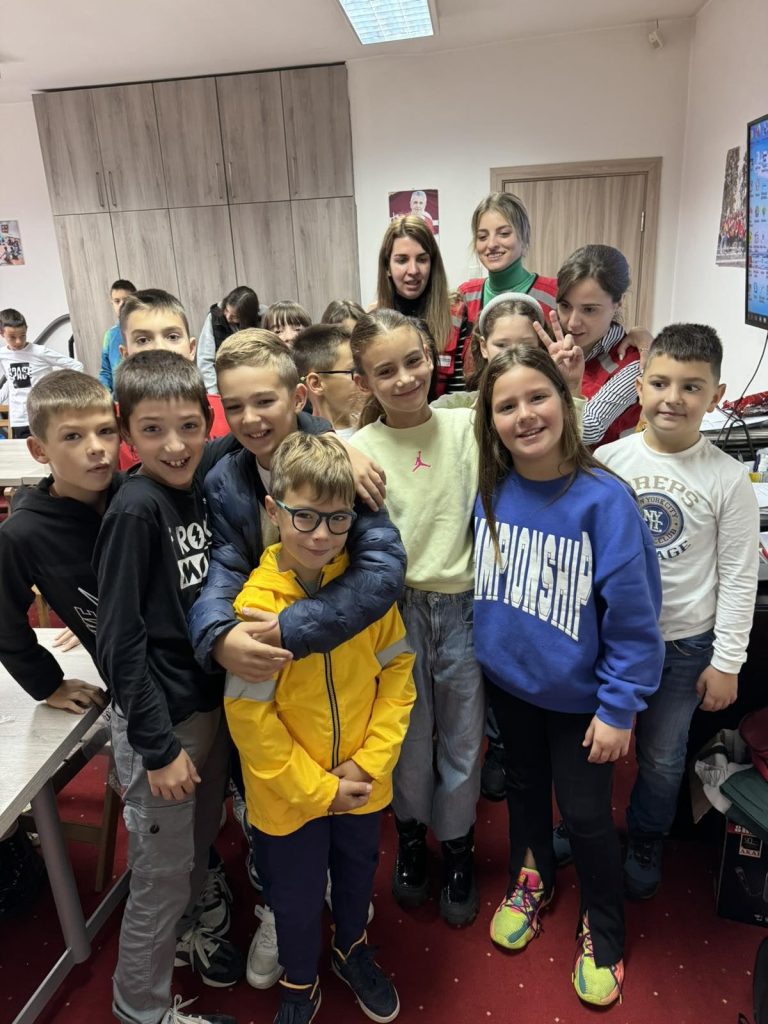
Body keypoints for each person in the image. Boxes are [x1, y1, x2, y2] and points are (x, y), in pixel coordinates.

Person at [187, 330, 405, 992]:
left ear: (300, 396)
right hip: (274, 668)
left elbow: (381, 571)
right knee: (281, 833)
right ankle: (285, 914)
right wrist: (218, 634)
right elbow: (225, 562)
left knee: (352, 855)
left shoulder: (345, 462)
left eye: (265, 401)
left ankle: (341, 923)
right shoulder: (224, 474)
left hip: (336, 664)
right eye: (234, 405)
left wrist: (287, 629)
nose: (251, 418)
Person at [472, 343, 664, 1007]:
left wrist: (619, 707)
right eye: (506, 405)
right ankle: (532, 877)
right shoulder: (490, 489)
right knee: (524, 793)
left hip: (584, 701)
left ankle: (603, 922)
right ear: (490, 420)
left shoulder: (605, 501)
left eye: (538, 397)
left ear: (565, 399)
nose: (525, 415)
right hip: (510, 688)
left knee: (584, 816)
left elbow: (636, 620)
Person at [225, 432, 415, 1024]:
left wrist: (368, 763)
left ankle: (351, 950)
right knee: (296, 897)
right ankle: (298, 982)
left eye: (337, 519)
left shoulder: (366, 595)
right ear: (273, 509)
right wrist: (318, 789)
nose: (320, 535)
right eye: (303, 516)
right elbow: (251, 721)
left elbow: (398, 678)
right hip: (289, 798)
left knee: (358, 879)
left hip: (361, 782)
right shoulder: (254, 607)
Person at [94, 350, 244, 1024]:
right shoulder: (135, 508)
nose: (175, 445)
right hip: (163, 726)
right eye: (153, 430)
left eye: (188, 426)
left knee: (188, 853)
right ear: (126, 430)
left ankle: (181, 941)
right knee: (157, 880)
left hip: (201, 709)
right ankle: (141, 1010)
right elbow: (119, 641)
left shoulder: (195, 486)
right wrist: (157, 748)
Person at [596, 324, 760, 898]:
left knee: (662, 756)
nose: (673, 398)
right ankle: (585, 826)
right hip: (611, 639)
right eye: (661, 383)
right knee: (593, 743)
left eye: (692, 387)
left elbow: (738, 575)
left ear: (716, 396)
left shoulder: (727, 479)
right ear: (640, 386)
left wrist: (728, 661)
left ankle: (646, 836)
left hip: (686, 644)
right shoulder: (609, 460)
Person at [349, 309, 484, 927]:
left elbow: (542, 415)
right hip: (395, 612)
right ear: (363, 381)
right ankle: (410, 835)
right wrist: (338, 444)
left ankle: (457, 846)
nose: (404, 378)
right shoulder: (359, 448)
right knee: (404, 735)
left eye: (413, 361)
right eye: (385, 371)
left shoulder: (464, 425)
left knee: (462, 737)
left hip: (463, 609)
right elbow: (298, 443)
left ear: (433, 357)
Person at [116, 289, 230, 469]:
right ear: (125, 354)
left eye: (172, 337)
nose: (160, 347)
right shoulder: (110, 424)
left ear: (192, 348)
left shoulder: (226, 411)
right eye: (143, 340)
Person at [553, 244, 644, 448]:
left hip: (603, 466)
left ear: (618, 302)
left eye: (589, 310)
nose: (572, 323)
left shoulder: (632, 363)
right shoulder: (552, 341)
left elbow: (588, 429)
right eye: (565, 306)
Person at [374, 216, 469, 396]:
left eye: (422, 259)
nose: (413, 270)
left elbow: (458, 394)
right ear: (387, 267)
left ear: (432, 264)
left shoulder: (455, 314)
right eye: (402, 260)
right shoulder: (374, 321)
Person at [457, 193, 558, 335]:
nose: (491, 244)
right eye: (482, 237)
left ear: (524, 236)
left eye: (504, 233)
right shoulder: (466, 296)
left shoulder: (554, 294)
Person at [0, 308, 83, 438]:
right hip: (19, 419)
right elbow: (11, 382)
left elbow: (76, 366)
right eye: (12, 337)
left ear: (26, 329)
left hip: (43, 415)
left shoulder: (39, 352)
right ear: (1, 333)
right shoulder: (2, 355)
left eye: (22, 336)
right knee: (25, 450)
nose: (18, 341)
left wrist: (59, 390)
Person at [293, 324, 363, 438]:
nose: (362, 379)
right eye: (352, 371)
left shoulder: (377, 427)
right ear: (316, 384)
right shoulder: (306, 444)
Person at [197, 286, 262, 395]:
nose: (227, 317)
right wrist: (213, 391)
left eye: (235, 316)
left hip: (253, 382)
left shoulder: (261, 318)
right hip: (223, 385)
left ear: (246, 318)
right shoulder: (214, 317)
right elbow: (205, 359)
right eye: (226, 310)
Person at [99, 279, 137, 393]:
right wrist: (106, 396)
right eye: (117, 301)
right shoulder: (110, 335)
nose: (121, 305)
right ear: (112, 303)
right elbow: (105, 371)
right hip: (118, 400)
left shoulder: (147, 330)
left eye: (126, 300)